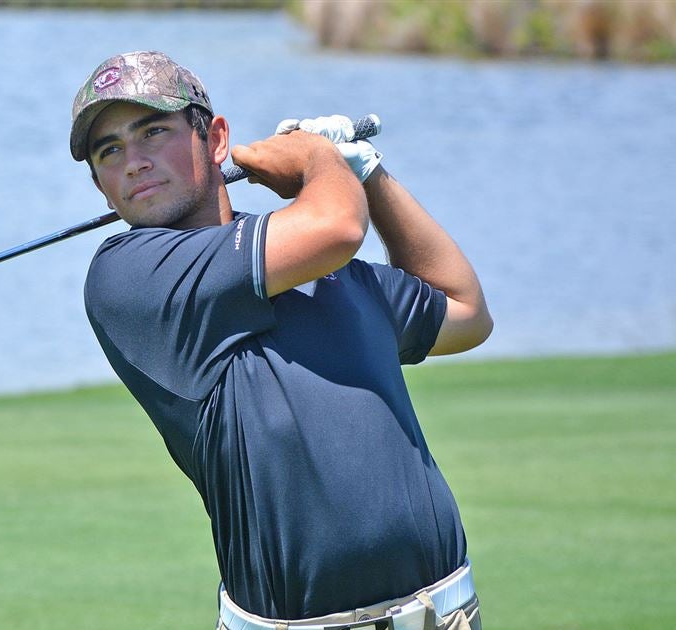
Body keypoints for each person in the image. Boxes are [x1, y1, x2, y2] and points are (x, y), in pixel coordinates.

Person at [70, 51, 493, 630]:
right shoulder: (129, 276)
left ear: (215, 139)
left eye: (154, 131)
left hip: (445, 612)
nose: (134, 161)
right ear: (100, 185)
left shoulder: (323, 267)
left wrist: (368, 173)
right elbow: (339, 227)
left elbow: (466, 314)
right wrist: (321, 160)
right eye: (109, 150)